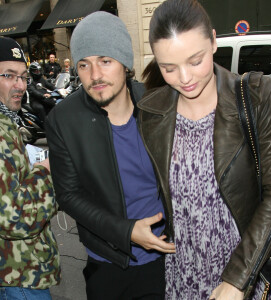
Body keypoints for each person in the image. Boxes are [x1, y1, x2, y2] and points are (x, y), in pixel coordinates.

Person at [137, 0, 271, 299]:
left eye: (194, 60)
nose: (184, 78)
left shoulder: (255, 97)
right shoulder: (152, 112)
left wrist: (237, 279)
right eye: (168, 68)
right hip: (181, 272)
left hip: (245, 272)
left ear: (213, 41)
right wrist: (127, 227)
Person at [45, 11, 175, 300]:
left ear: (125, 63)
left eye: (105, 60)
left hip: (166, 260)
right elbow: (68, 195)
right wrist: (126, 231)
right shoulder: (63, 120)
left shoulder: (158, 105)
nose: (95, 76)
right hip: (106, 264)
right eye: (84, 64)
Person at [0, 37, 60, 299]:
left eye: (23, 77)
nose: (20, 85)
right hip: (19, 275)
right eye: (9, 76)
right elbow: (15, 217)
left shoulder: (8, 123)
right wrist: (47, 170)